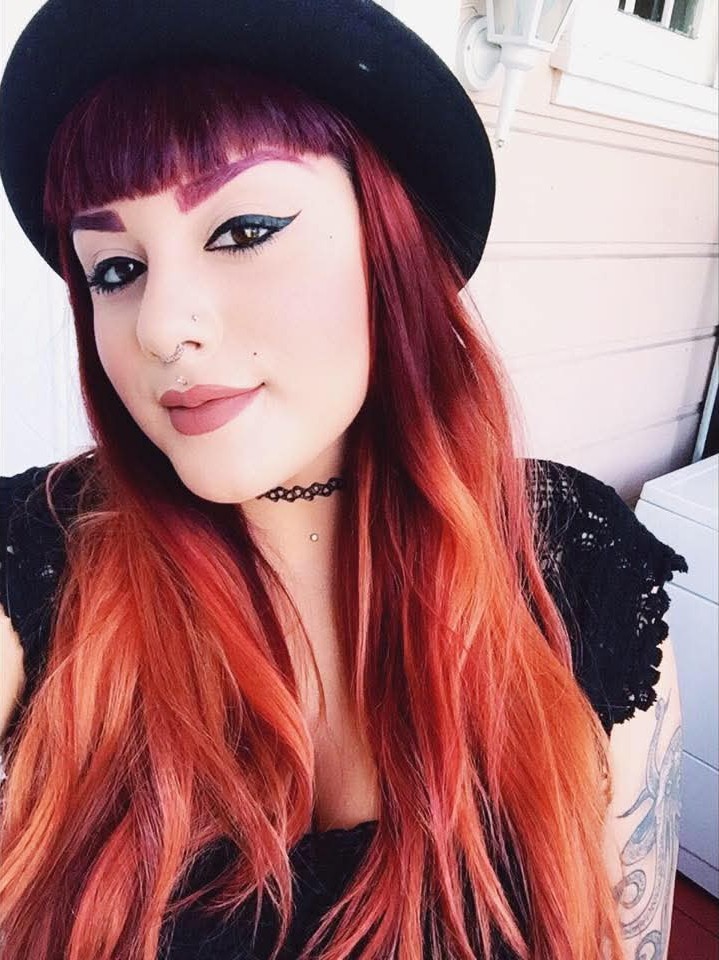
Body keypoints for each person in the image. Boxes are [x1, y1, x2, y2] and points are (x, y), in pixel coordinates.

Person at [0, 2, 689, 959]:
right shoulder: (32, 556)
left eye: (242, 230)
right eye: (114, 270)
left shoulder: (571, 557)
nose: (159, 326)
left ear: (387, 246)